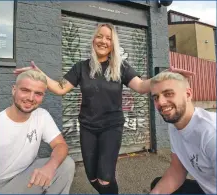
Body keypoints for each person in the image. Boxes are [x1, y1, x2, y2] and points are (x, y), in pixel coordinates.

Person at [14, 23, 193, 194]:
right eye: (99, 36)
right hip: (88, 127)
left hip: (111, 126)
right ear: (93, 40)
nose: (103, 41)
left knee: (105, 178)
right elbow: (61, 88)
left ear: (112, 44)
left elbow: (140, 86)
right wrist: (41, 75)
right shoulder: (81, 67)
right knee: (92, 177)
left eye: (108, 38)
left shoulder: (120, 66)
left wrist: (163, 76)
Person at [0, 70, 75, 194]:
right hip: (0, 186)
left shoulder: (41, 115)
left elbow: (60, 145)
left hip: (26, 174)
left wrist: (50, 166)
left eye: (38, 93)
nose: (31, 98)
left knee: (66, 164)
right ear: (14, 90)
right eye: (25, 90)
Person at [149, 71, 216, 194]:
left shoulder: (211, 133)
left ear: (188, 94)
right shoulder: (175, 124)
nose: (161, 102)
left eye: (168, 94)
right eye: (156, 97)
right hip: (206, 188)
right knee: (157, 186)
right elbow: (177, 169)